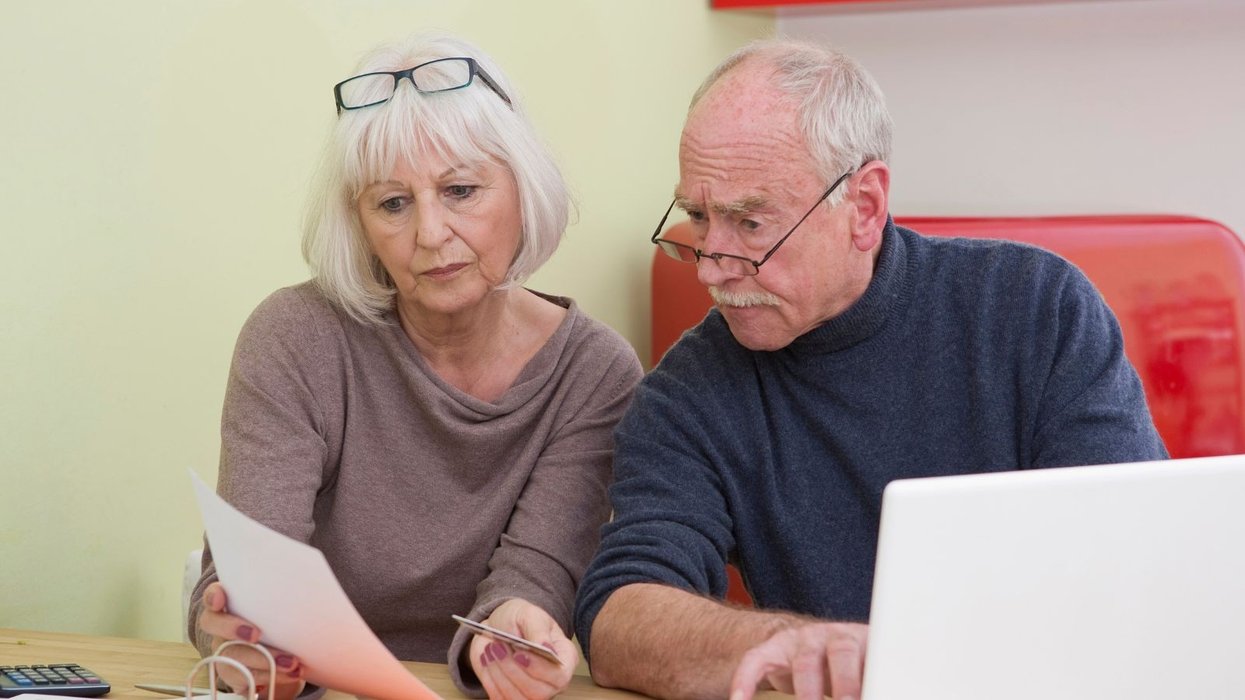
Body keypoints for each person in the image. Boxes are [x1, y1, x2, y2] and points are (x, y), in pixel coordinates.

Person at [573, 38, 1167, 700]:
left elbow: (1141, 563)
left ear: (863, 207)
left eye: (748, 221)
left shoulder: (1034, 308)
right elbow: (619, 615)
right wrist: (789, 647)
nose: (711, 265)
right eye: (697, 217)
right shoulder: (685, 393)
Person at [187, 32, 643, 700]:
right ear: (359, 222)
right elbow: (249, 577)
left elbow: (532, 582)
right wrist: (228, 625)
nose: (429, 234)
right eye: (392, 203)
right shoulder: (294, 338)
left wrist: (514, 632)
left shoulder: (595, 373)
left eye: (460, 190)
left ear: (524, 189)